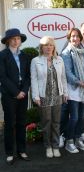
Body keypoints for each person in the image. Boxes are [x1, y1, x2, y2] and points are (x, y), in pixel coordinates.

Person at [61, 28, 84, 153]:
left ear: (80, 39)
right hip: (74, 89)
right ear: (69, 38)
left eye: (77, 36)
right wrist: (80, 83)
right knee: (74, 118)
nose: (75, 38)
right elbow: (68, 73)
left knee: (81, 117)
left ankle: (77, 139)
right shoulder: (66, 53)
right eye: (72, 36)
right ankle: (69, 141)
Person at [31, 36, 68, 158]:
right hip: (44, 96)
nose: (48, 47)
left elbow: (63, 78)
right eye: (46, 45)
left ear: (54, 47)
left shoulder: (59, 60)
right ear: (42, 47)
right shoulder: (36, 61)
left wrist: (65, 93)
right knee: (46, 123)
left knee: (56, 122)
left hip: (57, 95)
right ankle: (48, 146)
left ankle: (56, 146)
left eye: (51, 45)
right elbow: (34, 79)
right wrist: (35, 96)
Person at [0, 28, 31, 165]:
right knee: (9, 124)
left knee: (21, 123)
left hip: (23, 95)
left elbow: (27, 76)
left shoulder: (24, 55)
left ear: (20, 40)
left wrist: (23, 91)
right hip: (9, 95)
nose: (15, 41)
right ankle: (9, 152)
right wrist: (16, 92)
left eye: (17, 38)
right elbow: (3, 77)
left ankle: (21, 150)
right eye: (12, 39)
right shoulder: (2, 55)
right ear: (7, 41)